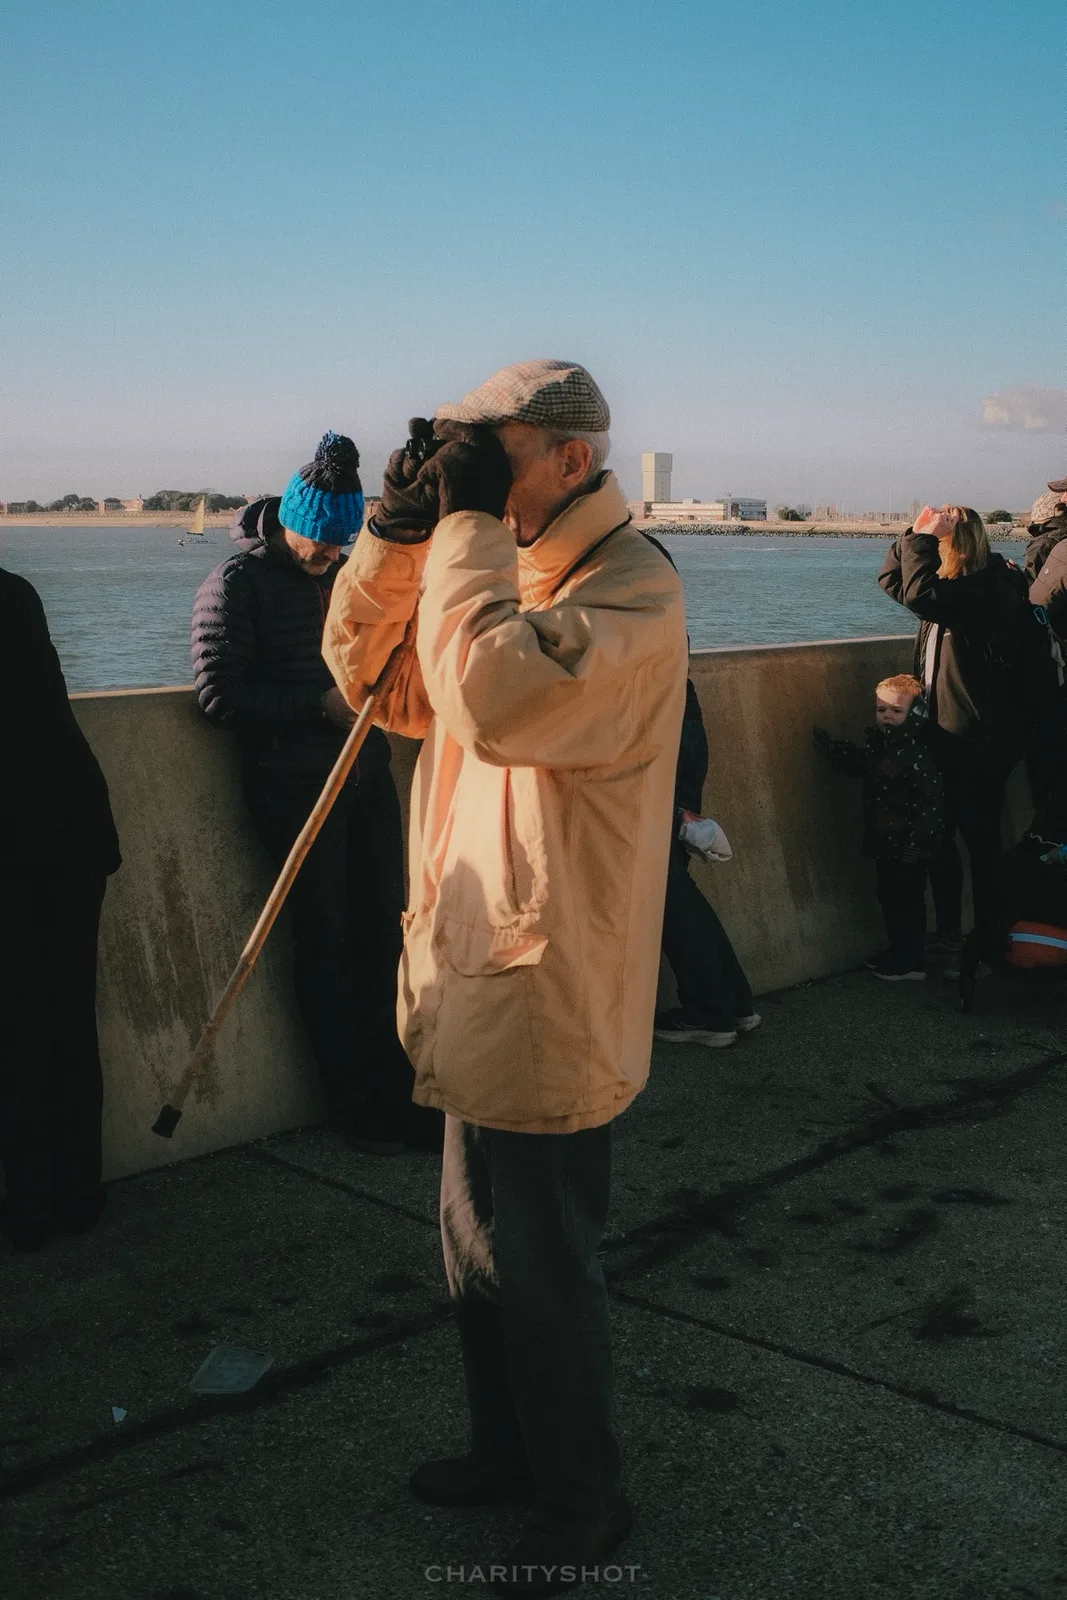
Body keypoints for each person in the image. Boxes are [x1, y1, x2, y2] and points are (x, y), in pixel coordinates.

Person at [322, 360, 688, 1596]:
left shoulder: (632, 592)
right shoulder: (512, 573)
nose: (471, 474)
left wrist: (467, 527)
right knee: (474, 1249)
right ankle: (503, 1448)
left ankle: (584, 1498)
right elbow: (374, 677)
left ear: (572, 461)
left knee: (540, 1263)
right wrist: (395, 533)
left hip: (545, 986)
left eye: (498, 451)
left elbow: (489, 695)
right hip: (476, 974)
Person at [191, 432, 440, 1154]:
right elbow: (218, 694)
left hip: (364, 780)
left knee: (386, 936)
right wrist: (317, 708)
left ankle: (402, 1091)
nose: (333, 560)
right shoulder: (235, 586)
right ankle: (353, 1104)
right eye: (323, 549)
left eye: (342, 550)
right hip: (291, 787)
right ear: (290, 523)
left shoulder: (347, 571)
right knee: (327, 946)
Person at [0, 568, 121, 1251]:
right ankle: (81, 1190)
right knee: (70, 1020)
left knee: (15, 1027)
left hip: (14, 843)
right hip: (72, 826)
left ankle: (33, 1206)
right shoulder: (17, 593)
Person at [878, 506, 1029, 972]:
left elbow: (919, 594)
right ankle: (949, 936)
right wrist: (913, 534)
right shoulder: (954, 590)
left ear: (956, 543)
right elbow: (892, 584)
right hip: (947, 736)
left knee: (979, 842)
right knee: (941, 841)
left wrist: (923, 540)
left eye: (941, 538)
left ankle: (985, 940)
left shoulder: (985, 590)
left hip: (976, 741)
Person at [814, 674, 944, 980]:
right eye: (881, 709)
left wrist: (919, 839)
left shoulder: (916, 753)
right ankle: (898, 949)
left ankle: (911, 959)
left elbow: (932, 802)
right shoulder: (882, 746)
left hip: (908, 842)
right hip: (886, 839)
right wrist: (834, 750)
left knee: (907, 899)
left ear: (914, 714)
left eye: (896, 711)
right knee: (889, 895)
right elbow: (863, 765)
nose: (887, 716)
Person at [654, 676, 760, 1044]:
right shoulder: (664, 615)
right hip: (684, 720)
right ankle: (734, 1004)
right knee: (675, 885)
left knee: (665, 888)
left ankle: (711, 1012)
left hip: (656, 728)